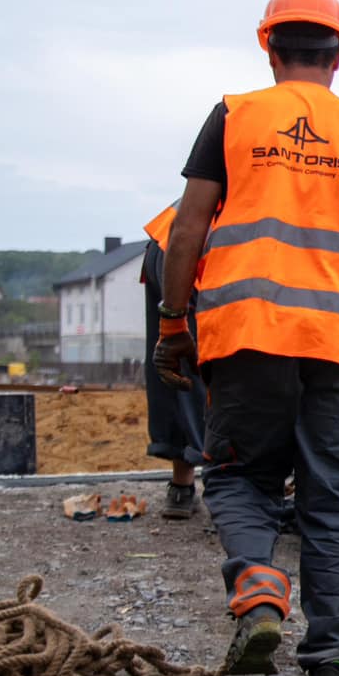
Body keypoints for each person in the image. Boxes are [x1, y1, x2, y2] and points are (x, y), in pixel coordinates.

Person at [154, 0, 339, 676]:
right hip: (338, 343)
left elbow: (187, 228)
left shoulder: (235, 116)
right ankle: (330, 661)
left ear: (267, 45)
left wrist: (172, 323)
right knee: (333, 498)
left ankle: (258, 588)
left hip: (243, 335)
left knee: (240, 476)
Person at [139, 202, 206, 519]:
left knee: (176, 362)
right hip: (199, 248)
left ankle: (181, 487)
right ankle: (236, 493)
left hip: (166, 243)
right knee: (226, 365)